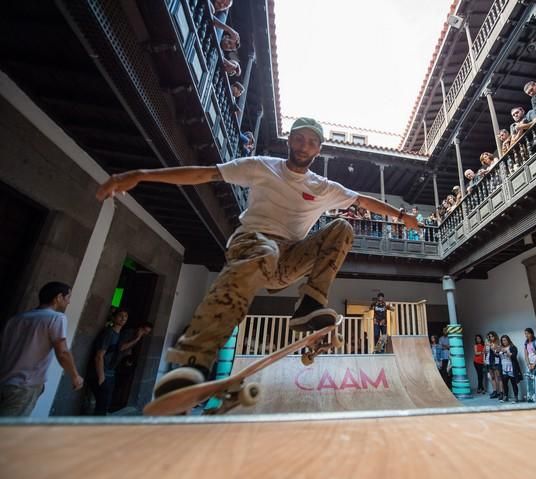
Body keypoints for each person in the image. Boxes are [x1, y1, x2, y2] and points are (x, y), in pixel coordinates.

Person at [96, 117, 419, 397]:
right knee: (264, 250)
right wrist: (142, 174)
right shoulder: (261, 166)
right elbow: (204, 174)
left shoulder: (324, 187)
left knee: (341, 227)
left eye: (311, 142)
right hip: (251, 244)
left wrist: (401, 216)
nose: (304, 146)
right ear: (290, 140)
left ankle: (309, 304)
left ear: (318, 149)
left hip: (289, 260)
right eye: (299, 139)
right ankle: (191, 361)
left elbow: (364, 201)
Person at [0, 282, 84, 416]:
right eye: (68, 297)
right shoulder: (57, 318)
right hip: (24, 386)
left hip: (4, 380)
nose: (69, 302)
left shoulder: (16, 319)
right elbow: (62, 352)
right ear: (58, 297)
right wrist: (75, 376)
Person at [498, 335, 522, 403]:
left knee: (513, 383)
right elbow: (497, 355)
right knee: (505, 383)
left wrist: (506, 351)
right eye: (502, 340)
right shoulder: (501, 348)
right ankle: (506, 396)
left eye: (505, 340)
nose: (504, 341)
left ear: (508, 340)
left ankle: (516, 397)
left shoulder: (513, 347)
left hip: (511, 368)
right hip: (503, 368)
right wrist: (496, 350)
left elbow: (514, 356)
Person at [486, 331, 503, 399]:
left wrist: (493, 348)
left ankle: (501, 392)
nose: (491, 338)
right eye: (489, 336)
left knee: (498, 378)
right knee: (492, 377)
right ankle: (495, 391)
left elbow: (498, 354)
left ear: (495, 336)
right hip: (490, 362)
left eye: (492, 336)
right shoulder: (489, 343)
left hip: (496, 362)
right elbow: (485, 352)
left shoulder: (498, 343)